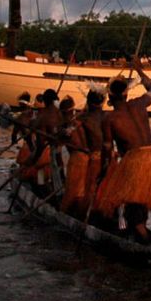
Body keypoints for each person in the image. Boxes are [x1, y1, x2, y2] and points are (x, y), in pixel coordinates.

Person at [94, 60, 151, 241]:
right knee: (139, 197)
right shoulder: (140, 103)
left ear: (110, 98)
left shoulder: (110, 119)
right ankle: (139, 227)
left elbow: (107, 148)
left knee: (120, 195)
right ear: (126, 95)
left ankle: (135, 230)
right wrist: (139, 70)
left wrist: (103, 171)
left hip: (135, 159)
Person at [64, 87, 106, 218]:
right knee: (103, 189)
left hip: (94, 160)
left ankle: (87, 216)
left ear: (88, 101)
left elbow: (67, 133)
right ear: (103, 101)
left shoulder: (82, 118)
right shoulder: (109, 116)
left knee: (90, 190)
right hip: (109, 158)